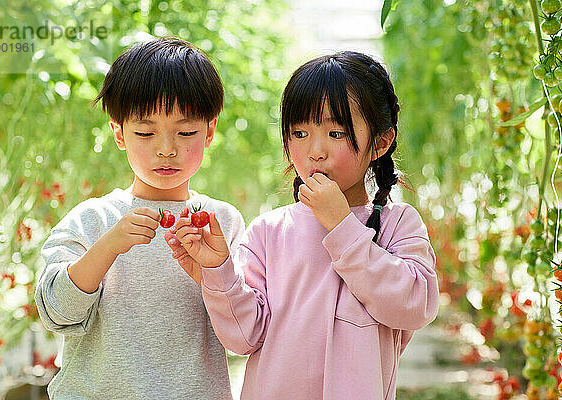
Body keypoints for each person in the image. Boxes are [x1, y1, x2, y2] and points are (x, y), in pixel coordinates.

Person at [165, 51, 440, 399]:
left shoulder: (398, 225)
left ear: (381, 143)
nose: (315, 151)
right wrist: (217, 270)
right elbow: (244, 336)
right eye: (299, 132)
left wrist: (342, 226)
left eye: (336, 133)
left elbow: (415, 305)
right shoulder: (269, 231)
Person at [34, 37, 244, 400]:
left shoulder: (220, 222)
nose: (166, 148)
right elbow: (56, 313)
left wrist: (218, 270)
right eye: (145, 132)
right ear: (119, 133)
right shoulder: (93, 219)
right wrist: (109, 246)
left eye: (186, 132)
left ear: (209, 132)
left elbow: (242, 332)